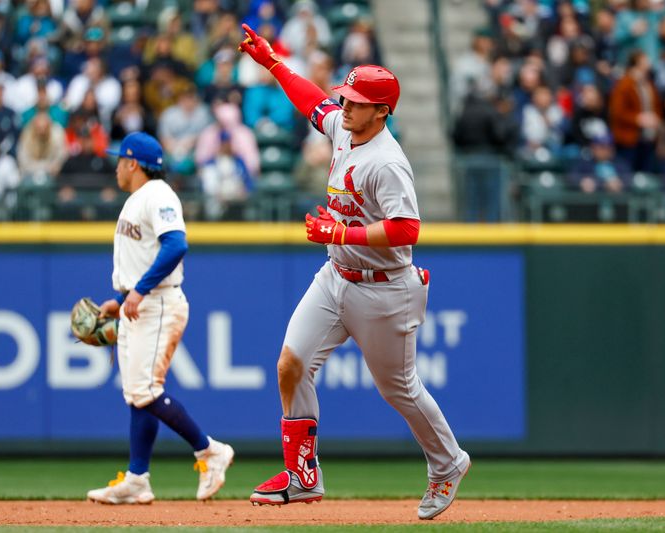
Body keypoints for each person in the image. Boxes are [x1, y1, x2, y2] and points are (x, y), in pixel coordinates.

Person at [238, 25, 470, 520]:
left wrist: (341, 234)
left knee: (399, 388)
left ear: (382, 110)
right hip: (337, 275)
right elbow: (312, 103)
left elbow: (407, 227)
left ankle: (448, 463)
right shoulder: (344, 126)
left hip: (385, 289)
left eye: (358, 100)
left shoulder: (387, 162)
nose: (346, 105)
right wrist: (273, 63)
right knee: (290, 363)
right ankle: (302, 475)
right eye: (347, 95)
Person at [86, 131, 234, 504]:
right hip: (141, 302)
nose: (116, 166)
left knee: (144, 390)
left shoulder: (159, 195)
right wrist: (122, 300)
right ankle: (137, 479)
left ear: (133, 163)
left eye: (120, 160)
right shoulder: (139, 199)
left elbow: (176, 244)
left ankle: (210, 451)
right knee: (138, 393)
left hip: (159, 302)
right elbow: (145, 257)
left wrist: (139, 292)